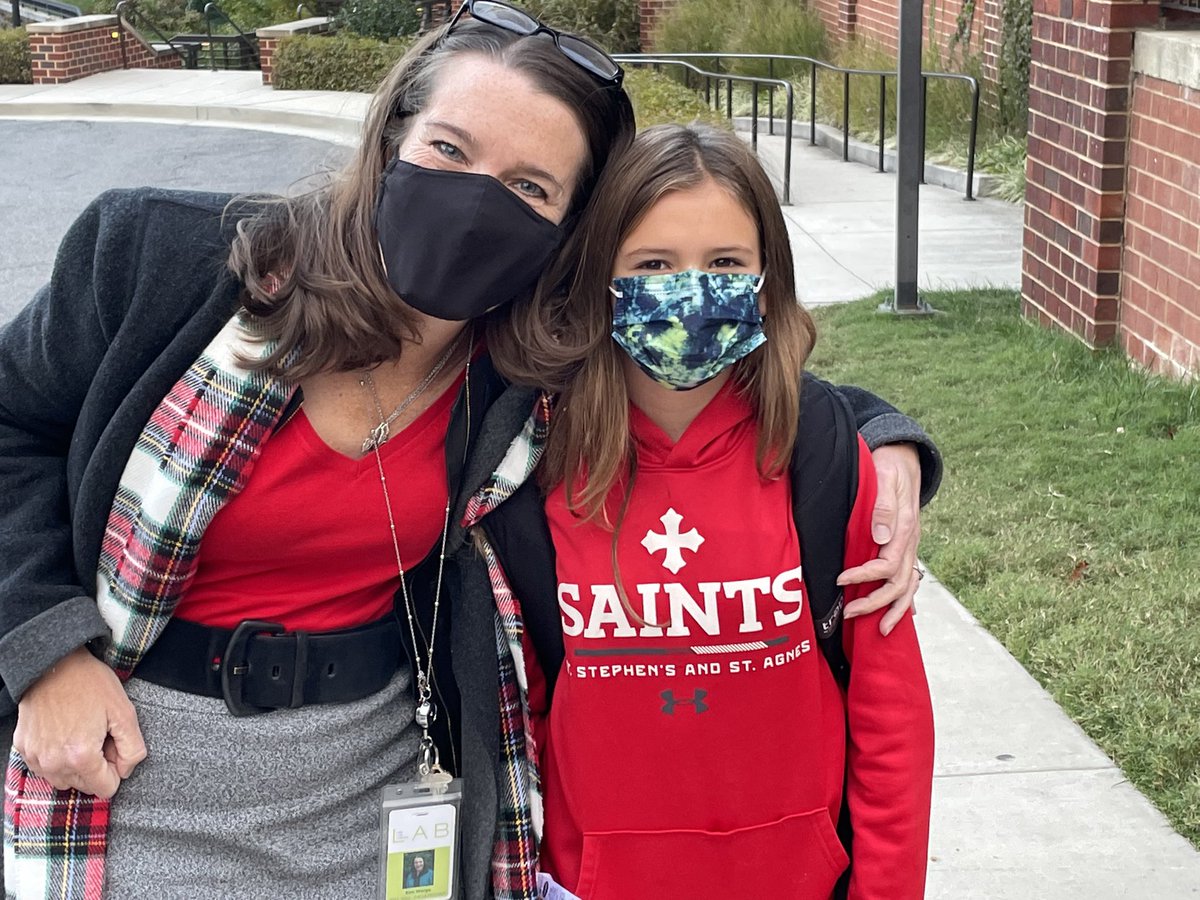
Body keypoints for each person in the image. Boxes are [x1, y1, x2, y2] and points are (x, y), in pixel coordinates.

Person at [0, 4, 938, 899]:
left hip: (380, 798)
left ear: (563, 237)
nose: (475, 201)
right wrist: (43, 649)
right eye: (450, 151)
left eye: (530, 187)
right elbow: (12, 424)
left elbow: (732, 390)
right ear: (392, 137)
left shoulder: (523, 368)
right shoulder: (161, 262)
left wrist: (882, 439)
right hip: (124, 769)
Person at [461, 124, 936, 899]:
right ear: (603, 277)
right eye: (653, 264)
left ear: (765, 276)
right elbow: (532, 699)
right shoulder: (535, 463)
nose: (690, 289)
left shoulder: (819, 452)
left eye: (725, 264)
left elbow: (890, 716)